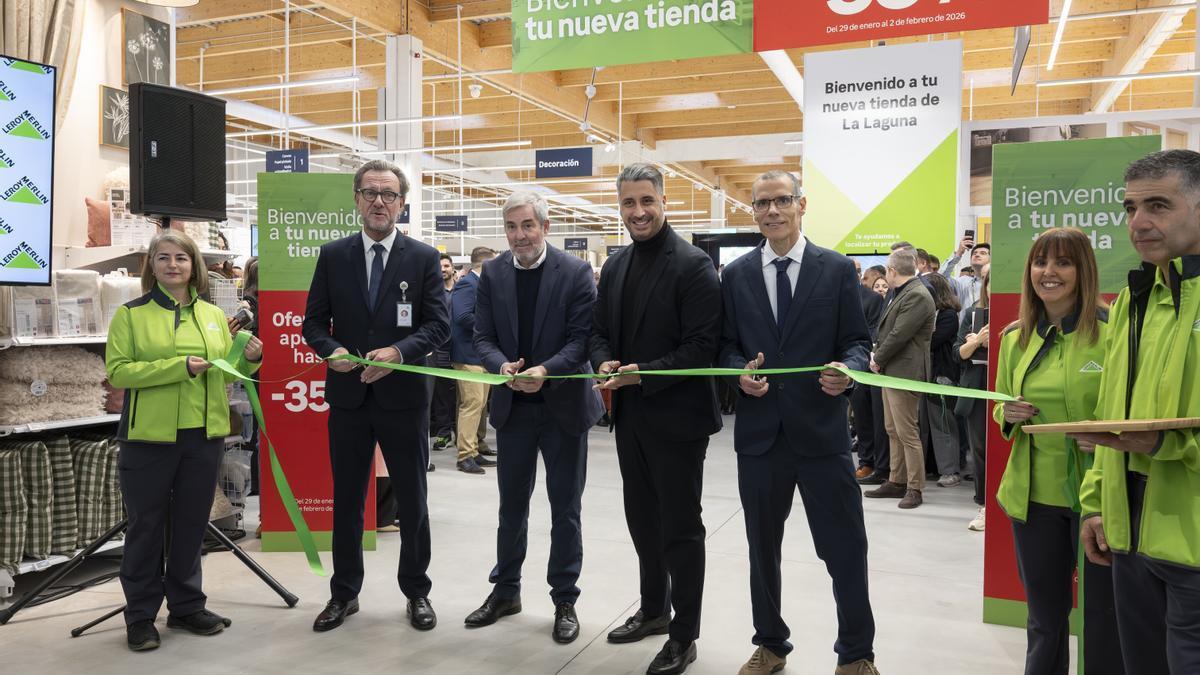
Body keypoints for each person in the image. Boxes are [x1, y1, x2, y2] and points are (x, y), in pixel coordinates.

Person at [719, 171, 879, 675]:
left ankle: (856, 654)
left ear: (801, 204)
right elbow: (725, 347)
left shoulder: (834, 270)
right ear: (753, 212)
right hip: (761, 438)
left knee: (845, 547)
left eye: (782, 200)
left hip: (823, 432)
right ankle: (770, 644)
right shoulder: (737, 275)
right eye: (762, 203)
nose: (772, 211)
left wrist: (847, 371)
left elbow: (856, 340)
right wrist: (736, 374)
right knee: (762, 551)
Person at [302, 159, 449, 633]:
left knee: (413, 498)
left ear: (402, 203)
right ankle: (344, 594)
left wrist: (398, 352)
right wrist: (334, 350)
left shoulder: (423, 258)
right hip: (348, 397)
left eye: (388, 194)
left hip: (403, 397)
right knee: (347, 499)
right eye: (370, 192)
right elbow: (312, 323)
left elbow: (438, 325)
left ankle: (417, 592)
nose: (379, 201)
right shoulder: (333, 255)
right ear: (356, 199)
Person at [590, 163, 722, 675]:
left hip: (678, 419)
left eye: (647, 201)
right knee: (642, 522)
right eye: (628, 203)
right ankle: (652, 611)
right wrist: (603, 360)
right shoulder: (618, 265)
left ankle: (684, 635)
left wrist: (641, 375)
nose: (638, 211)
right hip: (631, 418)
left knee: (681, 530)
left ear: (664, 201)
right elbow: (599, 331)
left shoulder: (692, 265)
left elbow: (701, 348)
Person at [1073, 150, 1200, 675]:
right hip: (1129, 533)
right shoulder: (1133, 298)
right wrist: (1096, 504)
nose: (1139, 222)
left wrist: (1168, 443)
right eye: (1129, 207)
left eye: (1158, 205)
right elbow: (1111, 415)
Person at [106, 231, 263, 652]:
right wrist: (179, 367)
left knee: (193, 524)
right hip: (148, 437)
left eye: (181, 258)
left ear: (194, 266)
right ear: (151, 266)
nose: (172, 265)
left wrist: (248, 359)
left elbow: (224, 373)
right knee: (146, 526)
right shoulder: (131, 315)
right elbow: (119, 372)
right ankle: (140, 616)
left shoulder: (213, 315)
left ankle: (186, 605)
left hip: (204, 436)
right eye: (163, 258)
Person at [466, 192, 604, 644]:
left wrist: (545, 371)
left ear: (544, 226)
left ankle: (565, 598)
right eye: (511, 227)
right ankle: (506, 591)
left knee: (566, 509)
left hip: (562, 406)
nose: (519, 235)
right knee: (512, 508)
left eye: (527, 225)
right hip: (514, 410)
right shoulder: (494, 274)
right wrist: (501, 365)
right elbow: (482, 336)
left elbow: (582, 339)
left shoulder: (576, 271)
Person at [992, 228, 1122, 675]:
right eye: (1041, 262)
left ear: (1082, 269)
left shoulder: (1114, 332)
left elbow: (1133, 408)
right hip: (1034, 497)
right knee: (1045, 620)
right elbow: (999, 406)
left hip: (1102, 496)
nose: (1049, 273)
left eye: (1063, 262)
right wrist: (1007, 414)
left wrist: (1110, 436)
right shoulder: (1015, 338)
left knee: (1104, 619)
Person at [865, 249, 935, 509]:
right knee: (893, 429)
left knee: (907, 432)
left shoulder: (916, 294)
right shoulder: (904, 293)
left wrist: (877, 358)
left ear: (893, 271)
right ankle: (896, 480)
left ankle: (914, 488)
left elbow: (899, 335)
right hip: (892, 371)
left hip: (905, 373)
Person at [450, 246, 498, 474]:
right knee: (471, 404)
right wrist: (491, 323)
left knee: (480, 405)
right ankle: (465, 455)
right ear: (486, 266)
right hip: (468, 355)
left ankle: (476, 446)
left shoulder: (482, 285)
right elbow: (461, 316)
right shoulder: (467, 284)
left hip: (482, 356)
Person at [955, 264, 991, 531]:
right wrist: (977, 341)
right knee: (980, 448)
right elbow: (960, 353)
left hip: (1009, 386)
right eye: (990, 281)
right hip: (977, 386)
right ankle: (984, 503)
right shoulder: (971, 313)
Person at [922, 273, 963, 488]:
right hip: (928, 376)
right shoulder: (937, 314)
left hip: (942, 376)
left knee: (944, 424)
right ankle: (935, 467)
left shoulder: (948, 315)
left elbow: (931, 341)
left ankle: (950, 471)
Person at [852, 259, 887, 480]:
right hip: (844, 367)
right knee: (859, 418)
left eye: (856, 271)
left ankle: (873, 463)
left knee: (873, 417)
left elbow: (874, 331)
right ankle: (865, 460)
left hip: (869, 365)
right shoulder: (832, 297)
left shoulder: (872, 298)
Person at [430, 253, 458, 452]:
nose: (443, 269)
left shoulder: (462, 290)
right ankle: (443, 433)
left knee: (463, 396)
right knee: (442, 395)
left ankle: (464, 434)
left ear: (452, 268)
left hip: (461, 350)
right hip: (438, 350)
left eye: (446, 265)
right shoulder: (432, 292)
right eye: (440, 266)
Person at [943, 238, 991, 320]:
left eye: (983, 253)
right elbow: (941, 277)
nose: (977, 255)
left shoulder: (996, 283)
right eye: (974, 253)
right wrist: (958, 253)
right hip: (965, 329)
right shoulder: (963, 282)